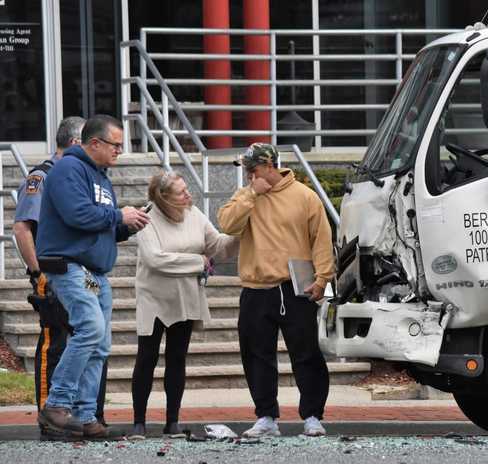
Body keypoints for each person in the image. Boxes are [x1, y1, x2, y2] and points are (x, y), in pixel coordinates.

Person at [35, 114, 151, 438]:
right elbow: (77, 215)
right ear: (95, 143)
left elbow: (98, 227)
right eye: (115, 145)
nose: (119, 152)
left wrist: (125, 225)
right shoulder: (67, 170)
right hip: (69, 265)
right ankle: (57, 405)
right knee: (90, 327)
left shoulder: (101, 177)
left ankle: (86, 416)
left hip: (91, 271)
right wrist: (118, 214)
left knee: (100, 342)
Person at [218, 143, 334, 438]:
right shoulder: (246, 196)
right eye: (246, 169)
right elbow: (227, 224)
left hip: (296, 287)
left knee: (306, 353)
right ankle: (266, 416)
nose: (248, 174)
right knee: (256, 355)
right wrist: (251, 194)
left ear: (269, 166)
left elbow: (321, 239)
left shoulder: (304, 197)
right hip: (256, 287)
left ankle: (312, 415)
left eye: (252, 169)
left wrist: (323, 279)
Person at [14, 117, 111, 431]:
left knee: (90, 340)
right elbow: (23, 228)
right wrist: (37, 273)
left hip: (82, 268)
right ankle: (50, 413)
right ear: (77, 143)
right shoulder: (44, 176)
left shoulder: (88, 176)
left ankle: (83, 414)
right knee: (54, 344)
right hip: (56, 268)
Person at [128, 171, 238, 440]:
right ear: (164, 198)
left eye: (187, 189)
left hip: (186, 296)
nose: (188, 194)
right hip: (153, 297)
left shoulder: (195, 214)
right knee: (147, 358)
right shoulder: (146, 217)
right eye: (181, 192)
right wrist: (198, 262)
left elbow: (218, 247)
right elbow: (155, 260)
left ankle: (172, 422)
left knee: (177, 359)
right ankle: (138, 423)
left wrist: (243, 232)